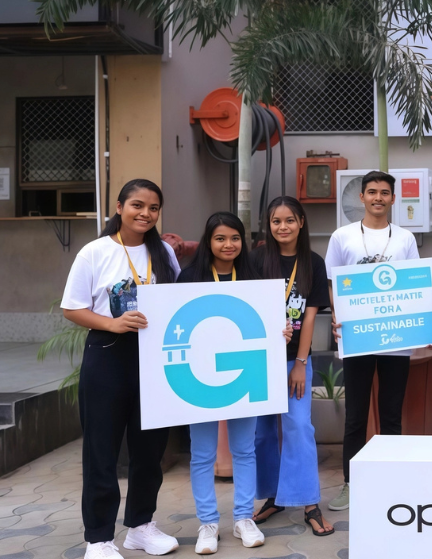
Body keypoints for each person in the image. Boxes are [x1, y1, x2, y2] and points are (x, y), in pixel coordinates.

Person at [61, 180, 181, 559]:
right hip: (108, 354)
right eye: (137, 205)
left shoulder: (163, 252)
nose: (145, 213)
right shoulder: (95, 252)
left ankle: (141, 527)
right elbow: (71, 307)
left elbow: (179, 300)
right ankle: (98, 539)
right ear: (119, 207)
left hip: (155, 357)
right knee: (102, 450)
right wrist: (111, 324)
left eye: (153, 207)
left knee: (150, 449)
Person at [178, 212, 284, 554]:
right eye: (220, 238)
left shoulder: (254, 277)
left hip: (243, 374)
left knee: (244, 450)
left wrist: (279, 331)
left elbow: (266, 322)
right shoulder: (190, 277)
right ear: (208, 241)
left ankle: (243, 518)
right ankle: (208, 523)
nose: (228, 245)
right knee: (202, 454)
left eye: (235, 238)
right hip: (200, 376)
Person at [324, 171, 419, 512]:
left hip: (397, 338)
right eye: (372, 192)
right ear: (361, 196)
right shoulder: (342, 236)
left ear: (393, 198)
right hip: (357, 337)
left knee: (391, 415)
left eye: (384, 192)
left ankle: (391, 482)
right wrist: (338, 317)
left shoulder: (405, 238)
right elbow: (332, 284)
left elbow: (414, 285)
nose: (378, 197)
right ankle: (351, 483)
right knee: (356, 416)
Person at [251, 197, 334, 536]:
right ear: (268, 225)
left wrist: (300, 363)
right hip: (259, 360)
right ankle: (274, 497)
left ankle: (309, 503)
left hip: (294, 360)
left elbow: (310, 318)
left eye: (289, 220)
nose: (282, 227)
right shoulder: (256, 259)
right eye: (276, 221)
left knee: (299, 426)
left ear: (301, 222)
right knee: (263, 432)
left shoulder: (313, 262)